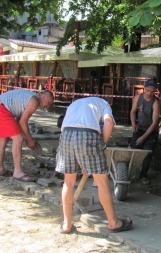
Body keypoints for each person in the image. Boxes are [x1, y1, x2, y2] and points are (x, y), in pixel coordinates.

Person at [56, 97, 133, 234]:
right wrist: (101, 144)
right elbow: (109, 123)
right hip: (88, 135)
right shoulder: (104, 104)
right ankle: (114, 223)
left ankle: (67, 224)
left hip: (66, 135)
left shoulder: (75, 103)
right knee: (102, 182)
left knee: (68, 181)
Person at [0, 89, 54, 182]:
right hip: (1, 109)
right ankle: (18, 172)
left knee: (4, 140)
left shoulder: (31, 98)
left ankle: (0, 169)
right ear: (44, 97)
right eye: (48, 102)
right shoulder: (34, 101)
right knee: (18, 139)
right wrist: (30, 140)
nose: (48, 106)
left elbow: (18, 122)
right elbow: (23, 122)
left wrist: (28, 138)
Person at [130, 79, 160, 185]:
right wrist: (133, 125)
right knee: (134, 150)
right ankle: (131, 173)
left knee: (147, 153)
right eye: (148, 90)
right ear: (144, 89)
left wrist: (143, 138)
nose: (149, 93)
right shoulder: (138, 98)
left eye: (152, 91)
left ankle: (143, 175)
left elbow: (155, 123)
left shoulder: (156, 102)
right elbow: (133, 111)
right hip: (140, 127)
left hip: (151, 130)